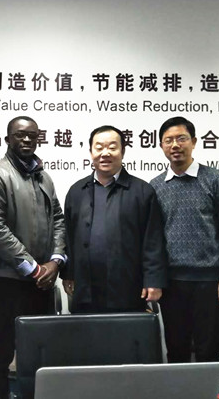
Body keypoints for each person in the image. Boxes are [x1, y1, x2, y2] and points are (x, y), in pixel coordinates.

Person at [0, 115, 66, 399]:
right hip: (8, 280)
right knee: (1, 349)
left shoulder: (44, 177)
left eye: (32, 135)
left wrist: (55, 261)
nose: (27, 139)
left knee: (38, 348)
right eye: (20, 135)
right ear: (7, 139)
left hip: (42, 281)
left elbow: (58, 219)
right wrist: (33, 268)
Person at [150, 116, 219, 363]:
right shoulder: (155, 186)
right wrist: (155, 279)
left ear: (194, 141)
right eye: (168, 140)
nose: (175, 145)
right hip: (172, 283)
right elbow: (153, 240)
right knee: (176, 349)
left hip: (210, 282)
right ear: (161, 146)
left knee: (208, 350)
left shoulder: (215, 179)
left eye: (181, 138)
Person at [62, 125, 167, 312]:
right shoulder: (77, 191)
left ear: (123, 151)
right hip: (85, 287)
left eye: (112, 147)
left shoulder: (142, 192)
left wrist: (153, 280)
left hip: (128, 287)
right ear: (91, 152)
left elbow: (153, 241)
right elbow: (68, 236)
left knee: (126, 330)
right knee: (87, 331)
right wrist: (68, 273)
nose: (105, 153)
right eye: (99, 147)